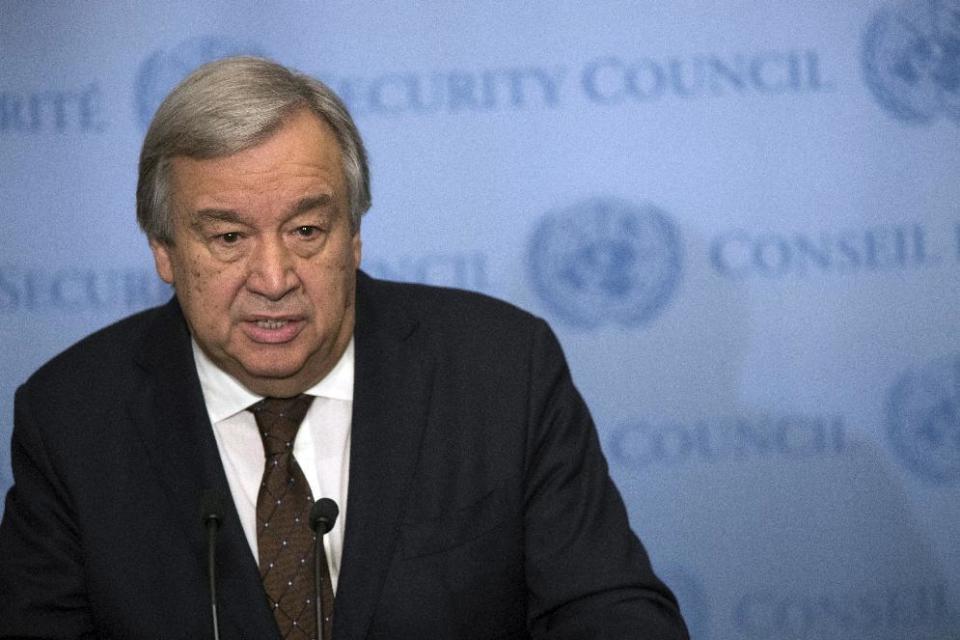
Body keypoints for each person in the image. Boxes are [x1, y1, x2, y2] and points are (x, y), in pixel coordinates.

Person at [0, 56, 688, 639]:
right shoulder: (71, 420)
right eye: (228, 238)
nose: (273, 280)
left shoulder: (502, 372)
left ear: (353, 234)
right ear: (164, 251)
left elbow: (611, 613)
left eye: (306, 230)